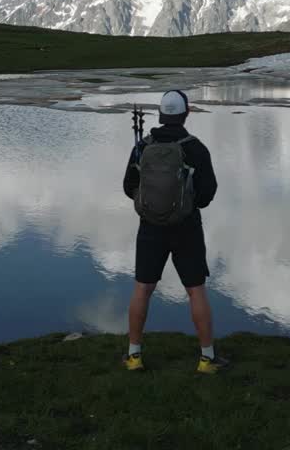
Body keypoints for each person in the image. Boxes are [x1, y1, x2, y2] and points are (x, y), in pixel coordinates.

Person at [122, 89, 228, 374]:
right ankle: (207, 359)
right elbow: (207, 193)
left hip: (149, 228)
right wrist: (185, 204)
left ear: (161, 114)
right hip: (186, 227)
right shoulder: (195, 148)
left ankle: (134, 356)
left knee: (143, 289)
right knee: (195, 291)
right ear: (185, 113)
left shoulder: (143, 146)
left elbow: (128, 187)